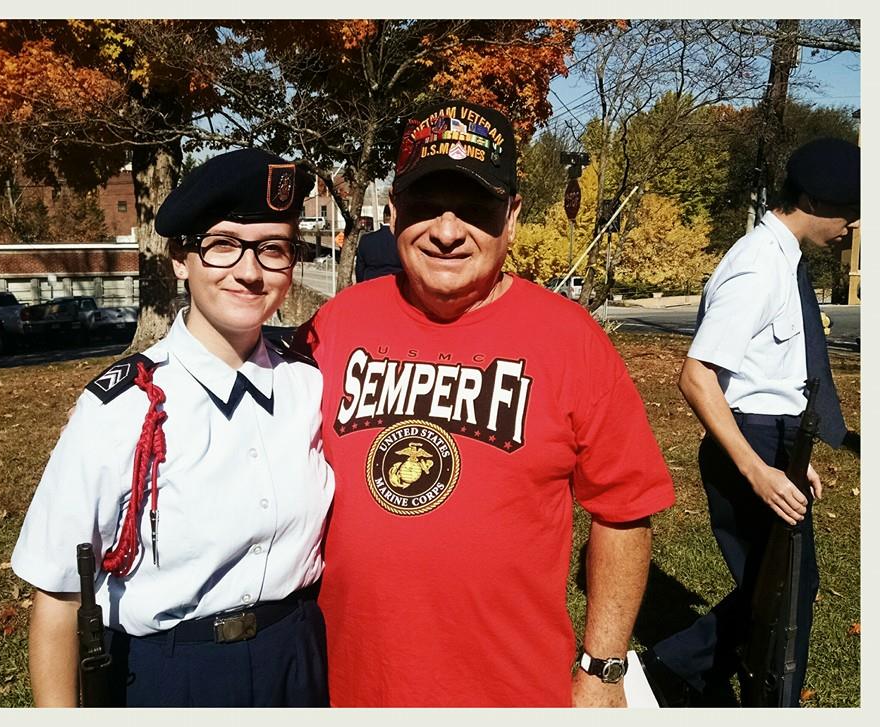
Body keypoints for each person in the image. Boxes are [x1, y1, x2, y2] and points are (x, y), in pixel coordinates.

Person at [294, 99, 676, 707]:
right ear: (393, 213)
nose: (447, 232)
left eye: (475, 208)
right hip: (350, 685)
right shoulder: (334, 327)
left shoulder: (571, 340)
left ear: (513, 216)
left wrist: (603, 669)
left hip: (511, 690)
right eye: (425, 205)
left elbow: (625, 510)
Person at [11, 149, 335, 707]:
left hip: (298, 660)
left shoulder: (310, 385)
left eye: (272, 249)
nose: (250, 271)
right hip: (174, 674)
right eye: (224, 245)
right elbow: (58, 595)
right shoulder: (121, 409)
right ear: (180, 258)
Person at [641, 138, 860, 707]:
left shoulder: (782, 259)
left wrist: (794, 455)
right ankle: (673, 675)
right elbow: (696, 376)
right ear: (812, 200)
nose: (853, 223)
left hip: (774, 438)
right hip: (749, 443)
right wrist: (759, 470)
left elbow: (772, 372)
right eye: (847, 209)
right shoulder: (758, 267)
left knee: (781, 587)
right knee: (784, 591)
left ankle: (704, 679)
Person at [354, 206, 402, 281]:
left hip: (371, 285)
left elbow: (359, 270)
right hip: (397, 285)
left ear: (384, 216)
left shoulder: (366, 240)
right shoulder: (402, 240)